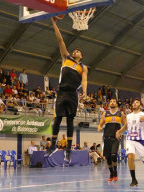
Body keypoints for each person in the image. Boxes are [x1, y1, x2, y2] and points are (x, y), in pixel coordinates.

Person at [46, 17, 88, 163]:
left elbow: (84, 80)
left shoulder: (83, 67)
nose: (76, 51)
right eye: (75, 50)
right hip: (62, 92)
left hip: (73, 94)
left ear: (81, 56)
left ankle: (69, 150)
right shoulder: (66, 58)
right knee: (57, 118)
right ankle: (52, 145)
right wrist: (54, 24)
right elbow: (60, 41)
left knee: (70, 120)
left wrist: (85, 91)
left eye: (78, 51)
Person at [98, 98, 126, 181]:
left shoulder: (121, 114)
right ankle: (111, 173)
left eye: (114, 101)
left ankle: (115, 172)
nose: (112, 102)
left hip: (115, 138)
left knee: (114, 155)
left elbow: (126, 125)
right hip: (107, 137)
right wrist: (99, 127)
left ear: (116, 104)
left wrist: (120, 132)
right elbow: (100, 124)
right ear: (109, 103)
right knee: (108, 157)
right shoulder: (105, 113)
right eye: (111, 101)